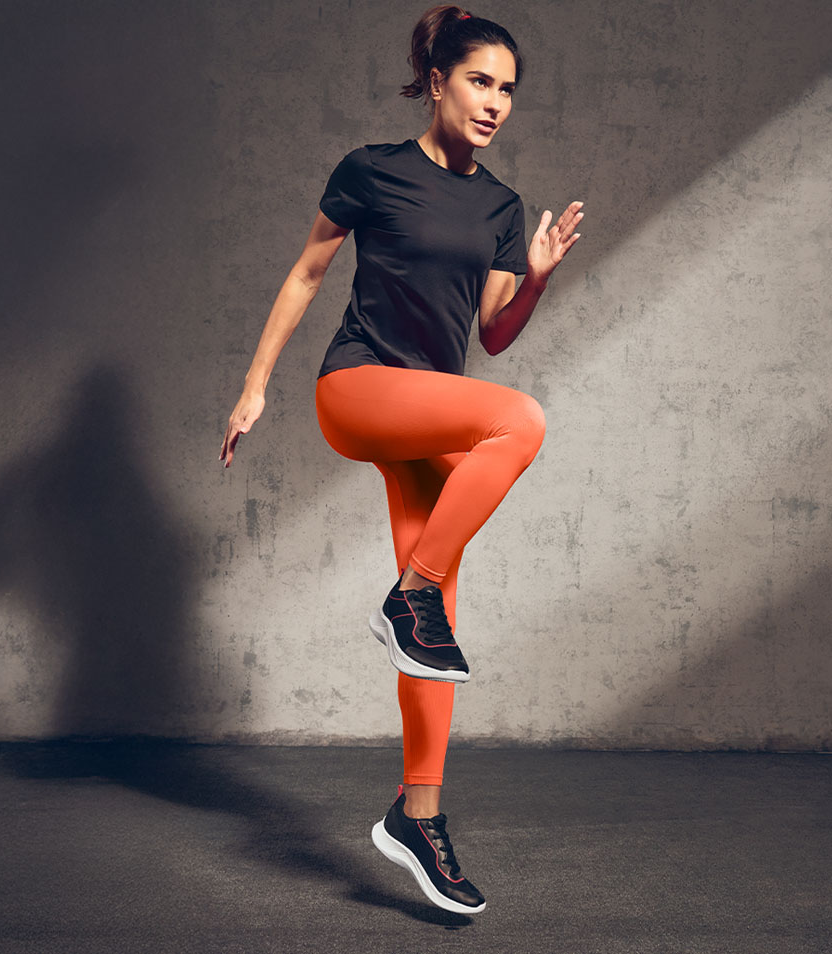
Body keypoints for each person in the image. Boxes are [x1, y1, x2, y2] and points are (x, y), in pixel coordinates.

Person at [220, 4, 583, 915]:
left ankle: (418, 818)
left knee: (438, 629)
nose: (495, 102)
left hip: (430, 415)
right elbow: (307, 272)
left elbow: (494, 337)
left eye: (507, 88)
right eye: (479, 81)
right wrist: (255, 387)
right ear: (436, 81)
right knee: (521, 424)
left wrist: (533, 275)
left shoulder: (500, 207)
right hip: (360, 388)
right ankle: (408, 595)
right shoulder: (372, 171)